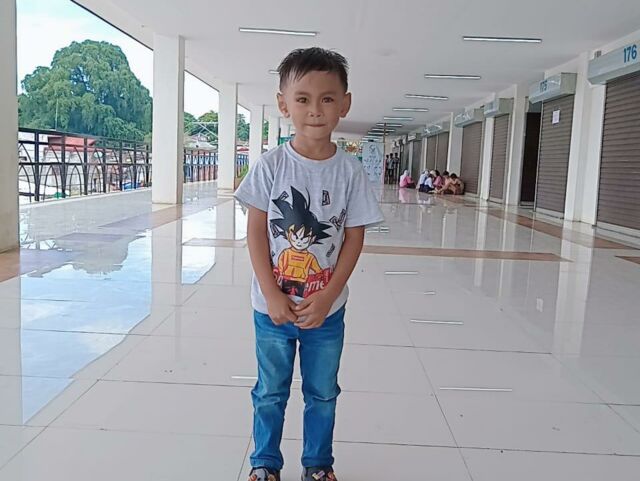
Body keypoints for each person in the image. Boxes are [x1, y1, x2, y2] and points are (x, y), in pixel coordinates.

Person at [235, 47, 384, 481]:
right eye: (302, 99)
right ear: (283, 104)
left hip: (327, 311)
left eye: (327, 98)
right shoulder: (270, 166)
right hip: (272, 311)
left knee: (322, 392)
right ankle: (265, 464)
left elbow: (354, 237)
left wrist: (329, 295)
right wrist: (271, 293)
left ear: (345, 104)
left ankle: (318, 465)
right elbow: (255, 233)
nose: (315, 110)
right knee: (270, 391)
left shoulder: (350, 172)